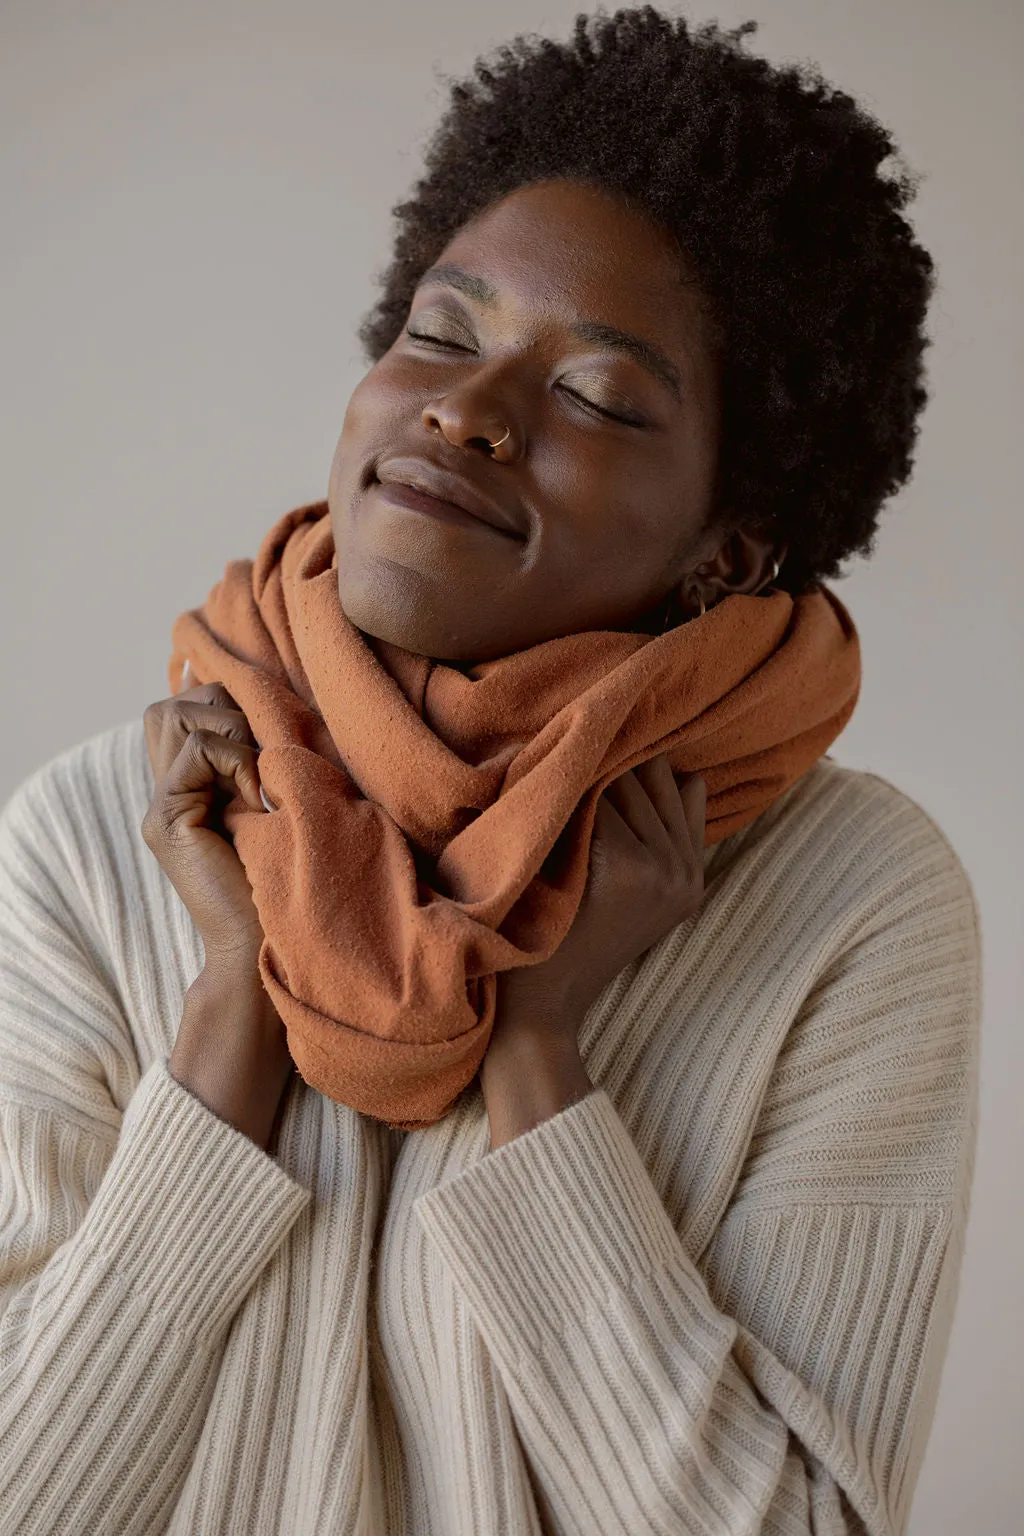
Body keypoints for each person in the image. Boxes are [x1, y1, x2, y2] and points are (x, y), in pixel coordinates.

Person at [0, 9, 980, 1535]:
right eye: (440, 336)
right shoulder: (99, 833)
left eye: (592, 395)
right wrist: (228, 1012)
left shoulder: (853, 905)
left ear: (729, 545)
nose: (469, 409)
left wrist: (538, 1056)